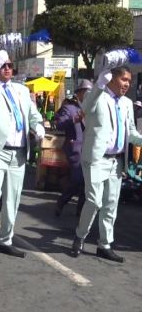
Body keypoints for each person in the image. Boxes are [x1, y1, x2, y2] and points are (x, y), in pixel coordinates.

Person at [0, 49, 44, 258]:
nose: (6, 68)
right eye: (2, 65)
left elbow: (33, 114)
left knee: (12, 199)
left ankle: (5, 240)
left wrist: (38, 126)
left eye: (9, 65)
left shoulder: (21, 90)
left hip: (18, 153)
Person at [71, 65, 142, 263]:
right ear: (112, 79)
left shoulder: (127, 104)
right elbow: (85, 107)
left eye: (129, 80)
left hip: (116, 161)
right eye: (123, 80)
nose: (127, 84)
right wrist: (99, 82)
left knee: (111, 205)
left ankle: (105, 244)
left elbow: (132, 133)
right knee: (94, 201)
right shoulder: (97, 97)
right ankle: (80, 236)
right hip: (96, 158)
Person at [54, 79, 92, 217]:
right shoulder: (69, 108)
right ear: (79, 93)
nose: (89, 95)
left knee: (86, 182)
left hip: (90, 149)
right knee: (77, 179)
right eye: (86, 92)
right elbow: (59, 124)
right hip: (75, 148)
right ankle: (62, 201)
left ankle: (80, 211)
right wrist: (73, 119)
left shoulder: (92, 108)